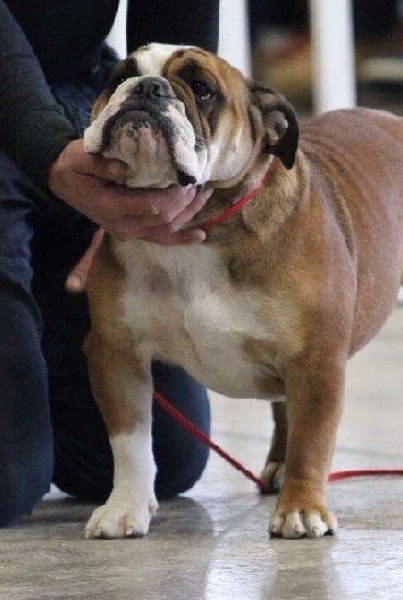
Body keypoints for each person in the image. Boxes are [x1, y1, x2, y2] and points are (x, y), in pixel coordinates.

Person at [0, 0, 219, 527]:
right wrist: (44, 144)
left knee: (164, 458)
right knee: (6, 481)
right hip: (25, 104)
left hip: (76, 89)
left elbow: (178, 38)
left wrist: (141, 201)